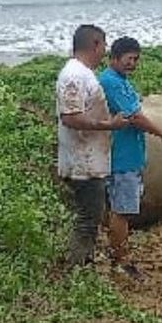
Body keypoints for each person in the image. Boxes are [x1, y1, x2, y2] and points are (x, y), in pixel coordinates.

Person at [99, 36, 162, 278]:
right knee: (121, 211)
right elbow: (136, 117)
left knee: (120, 210)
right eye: (129, 59)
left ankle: (116, 252)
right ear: (114, 58)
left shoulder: (119, 80)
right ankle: (121, 261)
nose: (133, 63)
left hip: (127, 155)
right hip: (122, 158)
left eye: (136, 59)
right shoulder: (111, 82)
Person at [56, 24, 128, 269]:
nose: (105, 51)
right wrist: (108, 125)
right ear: (95, 44)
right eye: (104, 45)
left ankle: (82, 263)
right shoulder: (74, 75)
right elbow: (70, 117)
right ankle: (77, 269)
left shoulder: (81, 73)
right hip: (83, 163)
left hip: (87, 160)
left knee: (90, 217)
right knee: (88, 220)